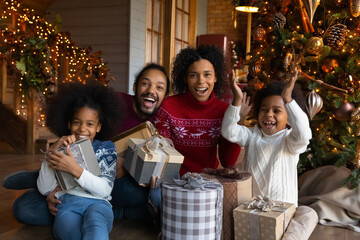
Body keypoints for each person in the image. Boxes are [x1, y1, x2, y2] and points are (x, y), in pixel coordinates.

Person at [3, 63, 170, 225]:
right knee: (23, 208)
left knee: (138, 194)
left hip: (110, 183)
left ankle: (107, 211)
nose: (151, 91)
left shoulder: (163, 119)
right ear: (135, 86)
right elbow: (81, 125)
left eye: (159, 87)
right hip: (74, 176)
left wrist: (128, 165)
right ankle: (49, 176)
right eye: (145, 84)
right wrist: (53, 192)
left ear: (165, 95)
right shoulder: (112, 101)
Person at [221, 70, 318, 240]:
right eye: (264, 110)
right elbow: (229, 131)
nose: (269, 114)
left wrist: (288, 99)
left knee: (309, 214)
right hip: (252, 210)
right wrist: (236, 101)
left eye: (277, 111)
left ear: (289, 118)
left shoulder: (290, 141)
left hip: (283, 213)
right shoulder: (252, 136)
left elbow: (304, 134)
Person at [149, 45, 244, 211]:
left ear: (216, 78)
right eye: (194, 75)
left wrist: (235, 111)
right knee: (157, 197)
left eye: (207, 74)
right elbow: (161, 154)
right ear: (185, 78)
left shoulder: (223, 110)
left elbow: (228, 162)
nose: (201, 81)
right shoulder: (169, 107)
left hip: (206, 182)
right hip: (174, 181)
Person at [37, 80, 119, 239]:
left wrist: (75, 170)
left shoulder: (106, 148)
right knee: (68, 231)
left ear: (98, 127)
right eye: (77, 122)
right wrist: (51, 153)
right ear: (68, 124)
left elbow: (105, 190)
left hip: (98, 204)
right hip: (68, 203)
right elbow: (44, 188)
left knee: (96, 228)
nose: (82, 129)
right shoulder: (61, 150)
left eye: (90, 124)